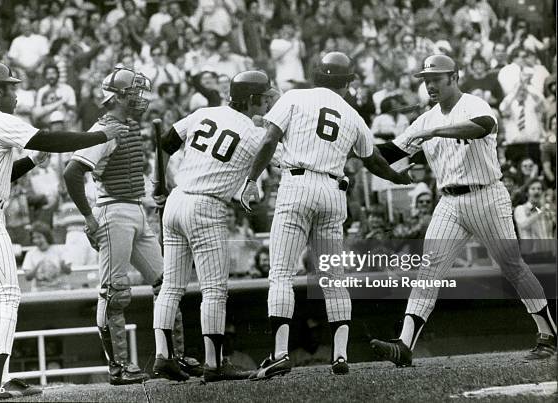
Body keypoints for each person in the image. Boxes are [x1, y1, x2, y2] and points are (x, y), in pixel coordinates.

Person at [0, 62, 126, 400]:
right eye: (10, 87)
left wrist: (31, 162)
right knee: (5, 294)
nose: (15, 94)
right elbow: (48, 138)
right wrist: (101, 135)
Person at [370, 55, 557, 366]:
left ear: (454, 77)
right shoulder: (426, 119)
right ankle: (404, 345)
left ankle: (548, 333)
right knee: (428, 270)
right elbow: (391, 153)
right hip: (449, 202)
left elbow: (484, 126)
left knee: (513, 267)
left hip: (486, 194)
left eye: (437, 78)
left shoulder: (472, 104)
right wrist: (359, 148)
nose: (429, 84)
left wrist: (436, 132)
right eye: (426, 79)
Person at [239, 52, 411, 380]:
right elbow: (373, 161)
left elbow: (269, 140)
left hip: (298, 185)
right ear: (345, 83)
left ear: (317, 75)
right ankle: (341, 355)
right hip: (334, 191)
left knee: (280, 274)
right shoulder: (352, 113)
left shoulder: (295, 96)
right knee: (334, 277)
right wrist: (398, 178)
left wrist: (251, 181)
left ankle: (279, 354)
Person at [151, 70, 278, 383]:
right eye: (263, 97)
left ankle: (163, 356)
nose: (267, 101)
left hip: (177, 199)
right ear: (251, 99)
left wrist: (159, 182)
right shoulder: (253, 134)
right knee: (214, 290)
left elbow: (165, 142)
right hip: (206, 205)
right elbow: (257, 191)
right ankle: (214, 363)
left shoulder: (204, 113)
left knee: (171, 285)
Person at [63, 67, 161, 385]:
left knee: (166, 285)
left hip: (136, 210)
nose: (141, 98)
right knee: (114, 293)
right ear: (118, 95)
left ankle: (170, 359)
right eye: (135, 92)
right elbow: (71, 172)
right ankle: (118, 366)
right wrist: (89, 218)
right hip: (112, 211)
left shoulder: (129, 125)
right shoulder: (102, 128)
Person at [22, 221, 71, 292]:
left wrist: (63, 266)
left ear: (47, 236)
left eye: (39, 237)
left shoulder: (60, 250)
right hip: (40, 291)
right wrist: (37, 267)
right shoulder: (30, 254)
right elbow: (27, 277)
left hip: (60, 290)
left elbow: (68, 272)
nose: (36, 240)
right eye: (34, 238)